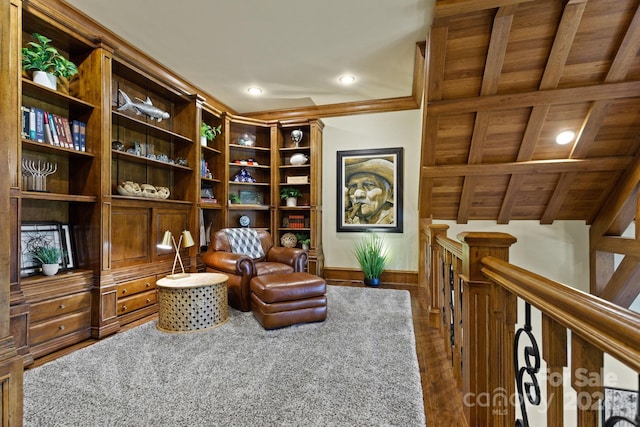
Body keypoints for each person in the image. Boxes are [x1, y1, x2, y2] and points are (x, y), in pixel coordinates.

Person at [344, 157, 395, 225]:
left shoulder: (396, 219)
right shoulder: (345, 218)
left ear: (389, 192)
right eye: (353, 186)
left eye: (369, 184)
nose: (358, 194)